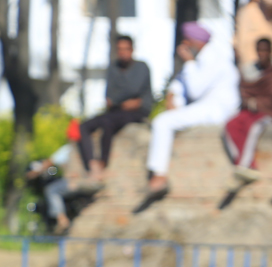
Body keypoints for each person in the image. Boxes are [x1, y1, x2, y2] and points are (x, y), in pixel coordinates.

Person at [140, 21, 241, 212]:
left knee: (163, 122)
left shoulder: (215, 58)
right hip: (204, 107)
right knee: (165, 119)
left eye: (186, 42)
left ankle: (159, 176)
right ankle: (158, 175)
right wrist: (173, 96)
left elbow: (194, 89)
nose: (184, 46)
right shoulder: (199, 60)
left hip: (217, 110)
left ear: (195, 42)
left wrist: (188, 62)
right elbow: (180, 84)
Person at [76, 34, 153, 184]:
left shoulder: (142, 67)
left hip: (137, 113)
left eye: (126, 49)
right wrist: (127, 99)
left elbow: (134, 89)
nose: (123, 52)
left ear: (132, 50)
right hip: (116, 112)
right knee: (83, 126)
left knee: (107, 123)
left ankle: (103, 163)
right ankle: (93, 165)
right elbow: (110, 97)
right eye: (120, 49)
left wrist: (125, 99)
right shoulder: (113, 68)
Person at [223, 37, 272, 186]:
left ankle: (243, 167)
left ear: (270, 52)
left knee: (253, 127)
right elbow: (246, 88)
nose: (262, 53)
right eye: (259, 50)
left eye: (265, 50)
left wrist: (256, 102)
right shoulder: (251, 71)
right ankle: (244, 164)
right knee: (231, 125)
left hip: (268, 113)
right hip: (250, 111)